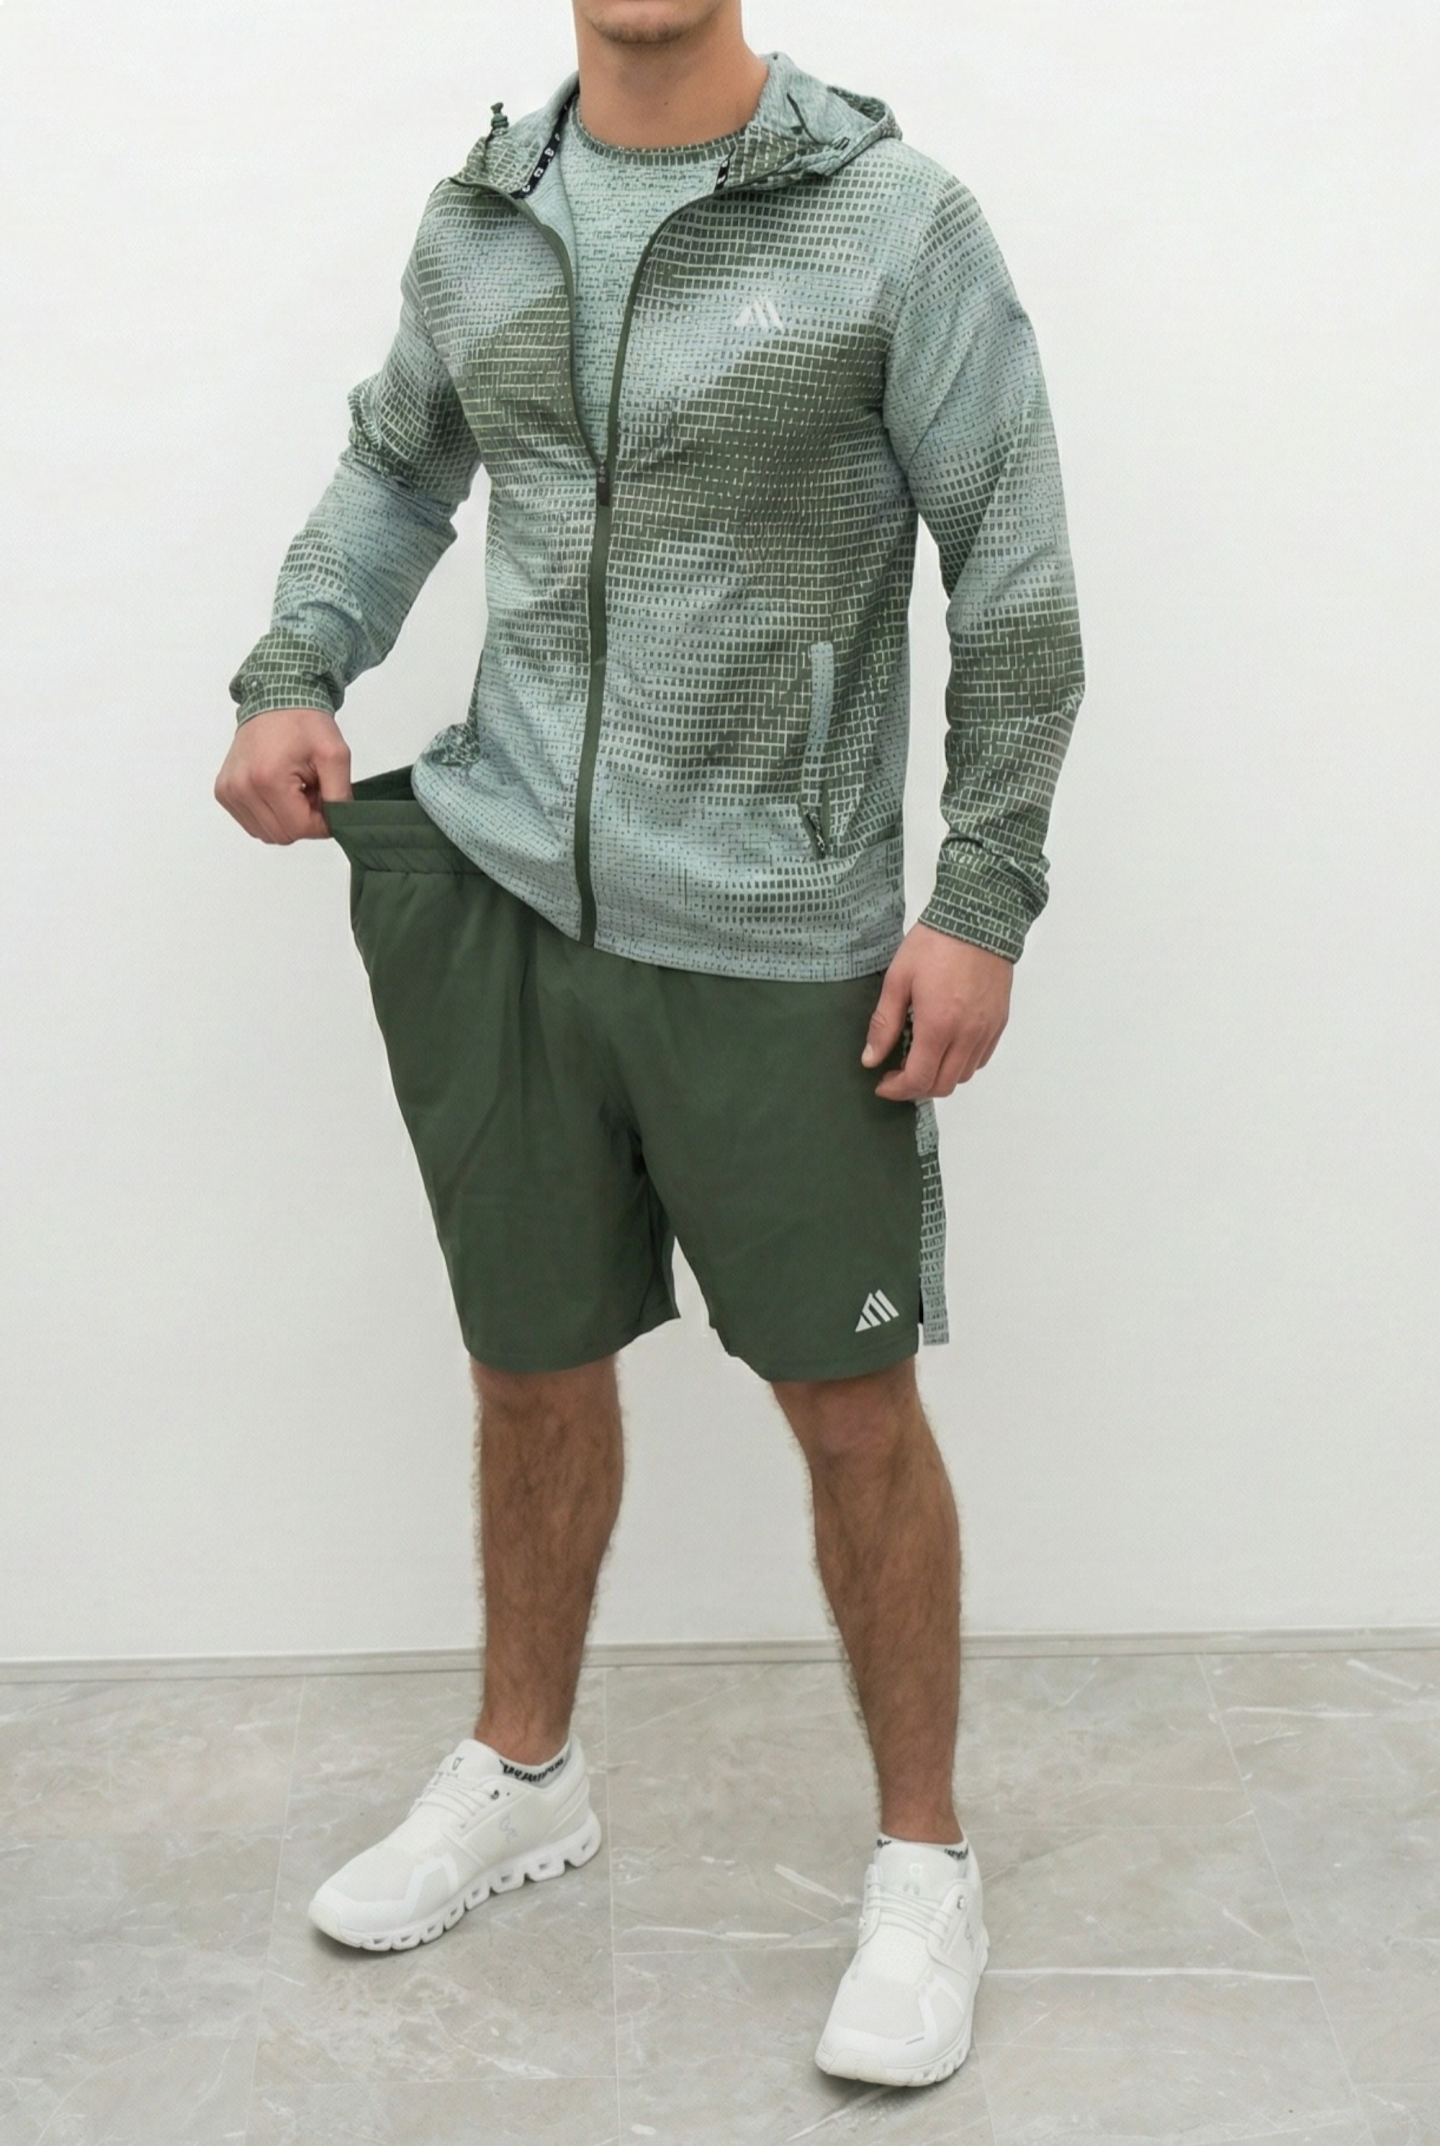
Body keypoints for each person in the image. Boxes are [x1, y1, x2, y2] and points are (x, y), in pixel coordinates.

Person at [215, 0, 1083, 2092]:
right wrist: (295, 660)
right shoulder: (485, 215)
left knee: (851, 1409)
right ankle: (527, 1770)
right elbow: (398, 460)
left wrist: (979, 896)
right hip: (507, 893)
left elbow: (1017, 578)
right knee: (527, 1369)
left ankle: (924, 1857)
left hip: (782, 938)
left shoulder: (894, 223)